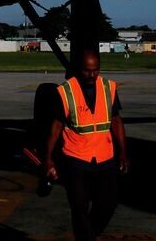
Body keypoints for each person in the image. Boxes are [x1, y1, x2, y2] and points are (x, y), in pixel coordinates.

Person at [42, 50, 129, 241]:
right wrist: (47, 158)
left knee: (108, 205)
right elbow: (56, 127)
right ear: (78, 70)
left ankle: (87, 236)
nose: (92, 75)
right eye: (87, 71)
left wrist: (123, 152)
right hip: (76, 158)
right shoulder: (65, 92)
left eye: (96, 70)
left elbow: (116, 121)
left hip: (104, 157)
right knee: (79, 208)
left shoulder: (109, 88)